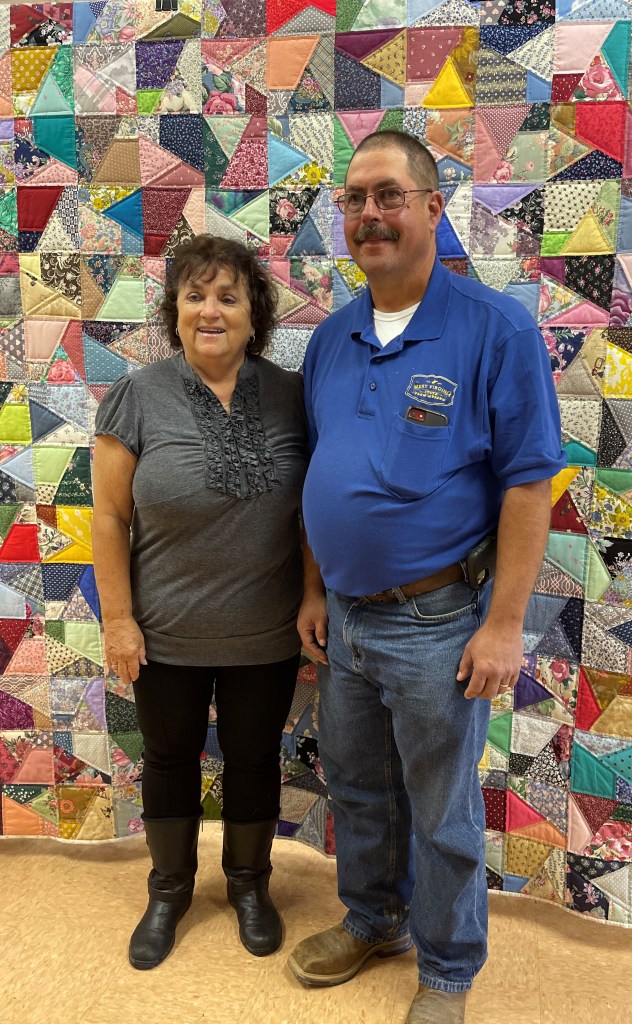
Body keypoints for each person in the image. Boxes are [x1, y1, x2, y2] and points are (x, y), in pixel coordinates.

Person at [288, 131, 565, 1024]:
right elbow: (319, 476)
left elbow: (529, 483)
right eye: (355, 197)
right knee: (360, 790)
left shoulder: (495, 328)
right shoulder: (332, 338)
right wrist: (311, 590)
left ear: (433, 209)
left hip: (438, 621)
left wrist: (505, 624)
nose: (369, 212)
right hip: (345, 621)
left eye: (389, 195)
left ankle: (447, 970)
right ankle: (375, 921)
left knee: (441, 812)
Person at [92, 234, 307, 970]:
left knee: (253, 759)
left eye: (227, 296)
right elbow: (109, 517)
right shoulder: (136, 396)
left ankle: (250, 885)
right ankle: (169, 890)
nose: (210, 310)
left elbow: (314, 510)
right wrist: (117, 620)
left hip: (266, 634)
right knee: (169, 758)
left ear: (255, 314)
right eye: (194, 295)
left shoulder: (291, 396)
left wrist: (313, 596)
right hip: (164, 634)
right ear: (174, 311)